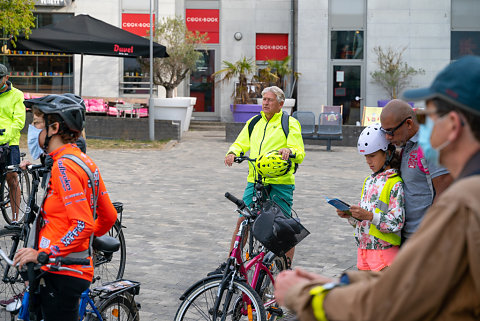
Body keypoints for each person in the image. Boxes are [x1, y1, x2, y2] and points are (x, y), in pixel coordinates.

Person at [274, 55, 480, 321]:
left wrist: (305, 293)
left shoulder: (464, 201)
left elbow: (389, 303)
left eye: (432, 116)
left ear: (452, 126)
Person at [12, 94, 117, 321]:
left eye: (37, 123)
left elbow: (82, 224)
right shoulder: (82, 161)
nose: (32, 129)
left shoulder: (64, 167)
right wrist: (84, 242)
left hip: (63, 271)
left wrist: (46, 253)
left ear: (55, 127)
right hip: (64, 268)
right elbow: (108, 216)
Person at [215, 86, 305, 272]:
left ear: (280, 104)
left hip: (281, 182)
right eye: (264, 99)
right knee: (243, 220)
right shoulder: (254, 122)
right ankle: (232, 263)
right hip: (255, 180)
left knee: (283, 227)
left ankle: (285, 271)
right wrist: (233, 152)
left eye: (270, 100)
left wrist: (290, 151)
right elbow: (241, 142)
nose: (265, 103)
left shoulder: (290, 123)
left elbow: (300, 152)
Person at [379, 99, 452, 242]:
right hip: (406, 235)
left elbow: (445, 194)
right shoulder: (407, 142)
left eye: (390, 131)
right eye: (384, 132)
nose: (387, 137)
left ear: (409, 124)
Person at [336, 124, 404, 272]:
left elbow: (397, 222)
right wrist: (350, 216)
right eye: (366, 156)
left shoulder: (395, 183)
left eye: (372, 156)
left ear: (388, 153)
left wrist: (369, 216)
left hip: (384, 254)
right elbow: (364, 220)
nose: (368, 160)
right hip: (364, 250)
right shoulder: (369, 181)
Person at [0, 63, 26, 222]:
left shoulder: (17, 95)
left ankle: (15, 219)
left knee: (12, 177)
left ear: (6, 78)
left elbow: (19, 121)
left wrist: (5, 137)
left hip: (10, 142)